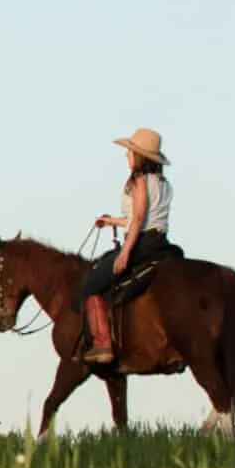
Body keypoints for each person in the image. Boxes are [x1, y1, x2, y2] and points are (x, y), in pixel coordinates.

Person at [82, 129, 175, 366]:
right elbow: (139, 217)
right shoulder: (164, 184)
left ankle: (102, 344)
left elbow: (139, 216)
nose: (127, 157)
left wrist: (125, 252)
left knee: (92, 283)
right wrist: (111, 221)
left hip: (141, 242)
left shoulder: (139, 180)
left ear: (139, 156)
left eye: (129, 152)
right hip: (161, 242)